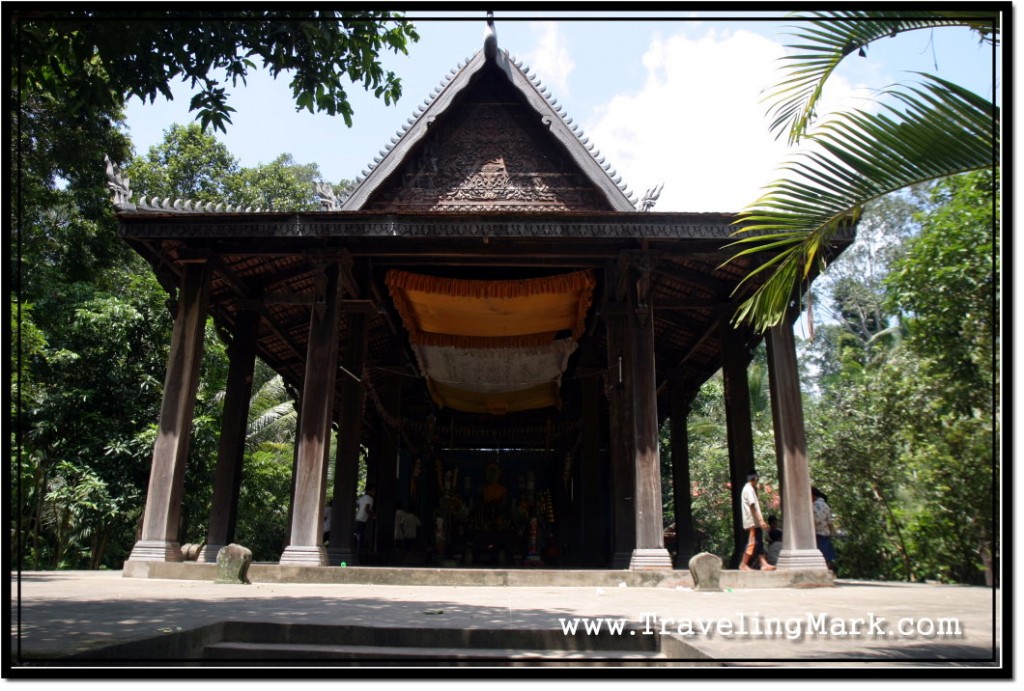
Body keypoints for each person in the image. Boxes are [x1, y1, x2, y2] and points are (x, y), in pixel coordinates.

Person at [740, 472, 776, 571]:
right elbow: (752, 506)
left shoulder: (748, 489)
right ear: (755, 478)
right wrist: (761, 521)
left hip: (755, 523)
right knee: (752, 543)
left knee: (759, 543)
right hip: (753, 523)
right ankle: (743, 564)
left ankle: (764, 563)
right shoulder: (749, 489)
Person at [812, 487, 838, 575]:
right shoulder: (826, 506)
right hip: (826, 533)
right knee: (827, 555)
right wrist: (833, 532)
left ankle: (820, 573)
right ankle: (829, 572)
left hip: (817, 533)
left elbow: (814, 521)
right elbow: (829, 521)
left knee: (819, 555)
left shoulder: (813, 506)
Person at [354, 484, 375, 553]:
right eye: (373, 490)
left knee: (357, 536)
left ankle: (357, 551)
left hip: (357, 518)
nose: (374, 492)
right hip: (362, 520)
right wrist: (373, 515)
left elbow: (358, 506)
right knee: (360, 538)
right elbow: (366, 509)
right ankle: (359, 553)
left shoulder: (362, 498)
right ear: (370, 490)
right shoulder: (370, 498)